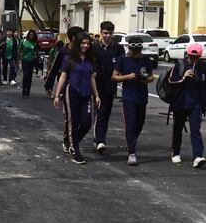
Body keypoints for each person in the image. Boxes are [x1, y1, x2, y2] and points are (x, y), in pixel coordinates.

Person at [53, 32, 101, 165]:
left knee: (86, 124)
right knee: (73, 123)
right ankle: (75, 151)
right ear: (78, 44)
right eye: (83, 43)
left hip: (87, 94)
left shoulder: (90, 59)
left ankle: (71, 141)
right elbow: (63, 77)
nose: (85, 46)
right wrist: (57, 95)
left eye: (88, 43)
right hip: (72, 92)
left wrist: (96, 95)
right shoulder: (69, 59)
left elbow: (92, 78)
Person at [167, 43, 206, 168]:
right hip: (180, 102)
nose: (194, 59)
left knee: (195, 130)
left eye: (197, 56)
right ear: (187, 54)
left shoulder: (203, 67)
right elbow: (171, 81)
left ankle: (198, 156)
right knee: (177, 128)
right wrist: (184, 77)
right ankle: (175, 152)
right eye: (192, 56)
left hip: (195, 103)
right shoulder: (180, 64)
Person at [111, 35, 154, 166]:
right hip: (129, 96)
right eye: (134, 52)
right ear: (130, 48)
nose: (136, 54)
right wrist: (127, 77)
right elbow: (114, 77)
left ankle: (131, 142)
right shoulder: (122, 59)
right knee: (130, 124)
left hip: (142, 96)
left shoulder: (146, 60)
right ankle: (132, 152)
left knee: (139, 125)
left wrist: (146, 79)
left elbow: (152, 77)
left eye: (139, 51)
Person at [92, 21, 125, 154]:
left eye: (110, 33)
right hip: (97, 86)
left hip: (111, 87)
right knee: (100, 112)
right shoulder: (94, 47)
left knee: (106, 114)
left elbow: (122, 66)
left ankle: (99, 139)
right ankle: (100, 140)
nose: (107, 36)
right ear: (101, 33)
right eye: (105, 33)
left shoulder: (118, 48)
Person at [19, 29, 38, 97]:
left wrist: (35, 56)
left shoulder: (34, 43)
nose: (31, 36)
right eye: (30, 35)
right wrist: (18, 60)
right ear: (28, 35)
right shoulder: (23, 41)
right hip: (24, 61)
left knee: (30, 77)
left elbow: (36, 52)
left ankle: (28, 90)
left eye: (32, 35)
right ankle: (24, 90)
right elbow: (19, 50)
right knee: (26, 75)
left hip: (31, 61)